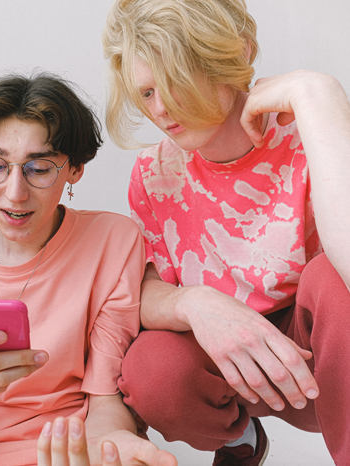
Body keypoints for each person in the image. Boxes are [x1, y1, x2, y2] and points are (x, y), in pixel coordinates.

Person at [103, 0, 350, 464]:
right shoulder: (153, 173)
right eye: (148, 92)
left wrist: (317, 93)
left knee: (331, 281)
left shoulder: (312, 135)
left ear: (228, 57)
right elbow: (145, 288)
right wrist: (198, 303)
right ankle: (239, 439)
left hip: (324, 359)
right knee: (150, 366)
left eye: (175, 82)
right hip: (229, 362)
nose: (162, 109)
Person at [0, 73, 176, 465]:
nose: (15, 192)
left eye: (39, 168)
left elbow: (104, 399)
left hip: (77, 450)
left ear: (75, 170)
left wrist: (112, 445)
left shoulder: (114, 241)